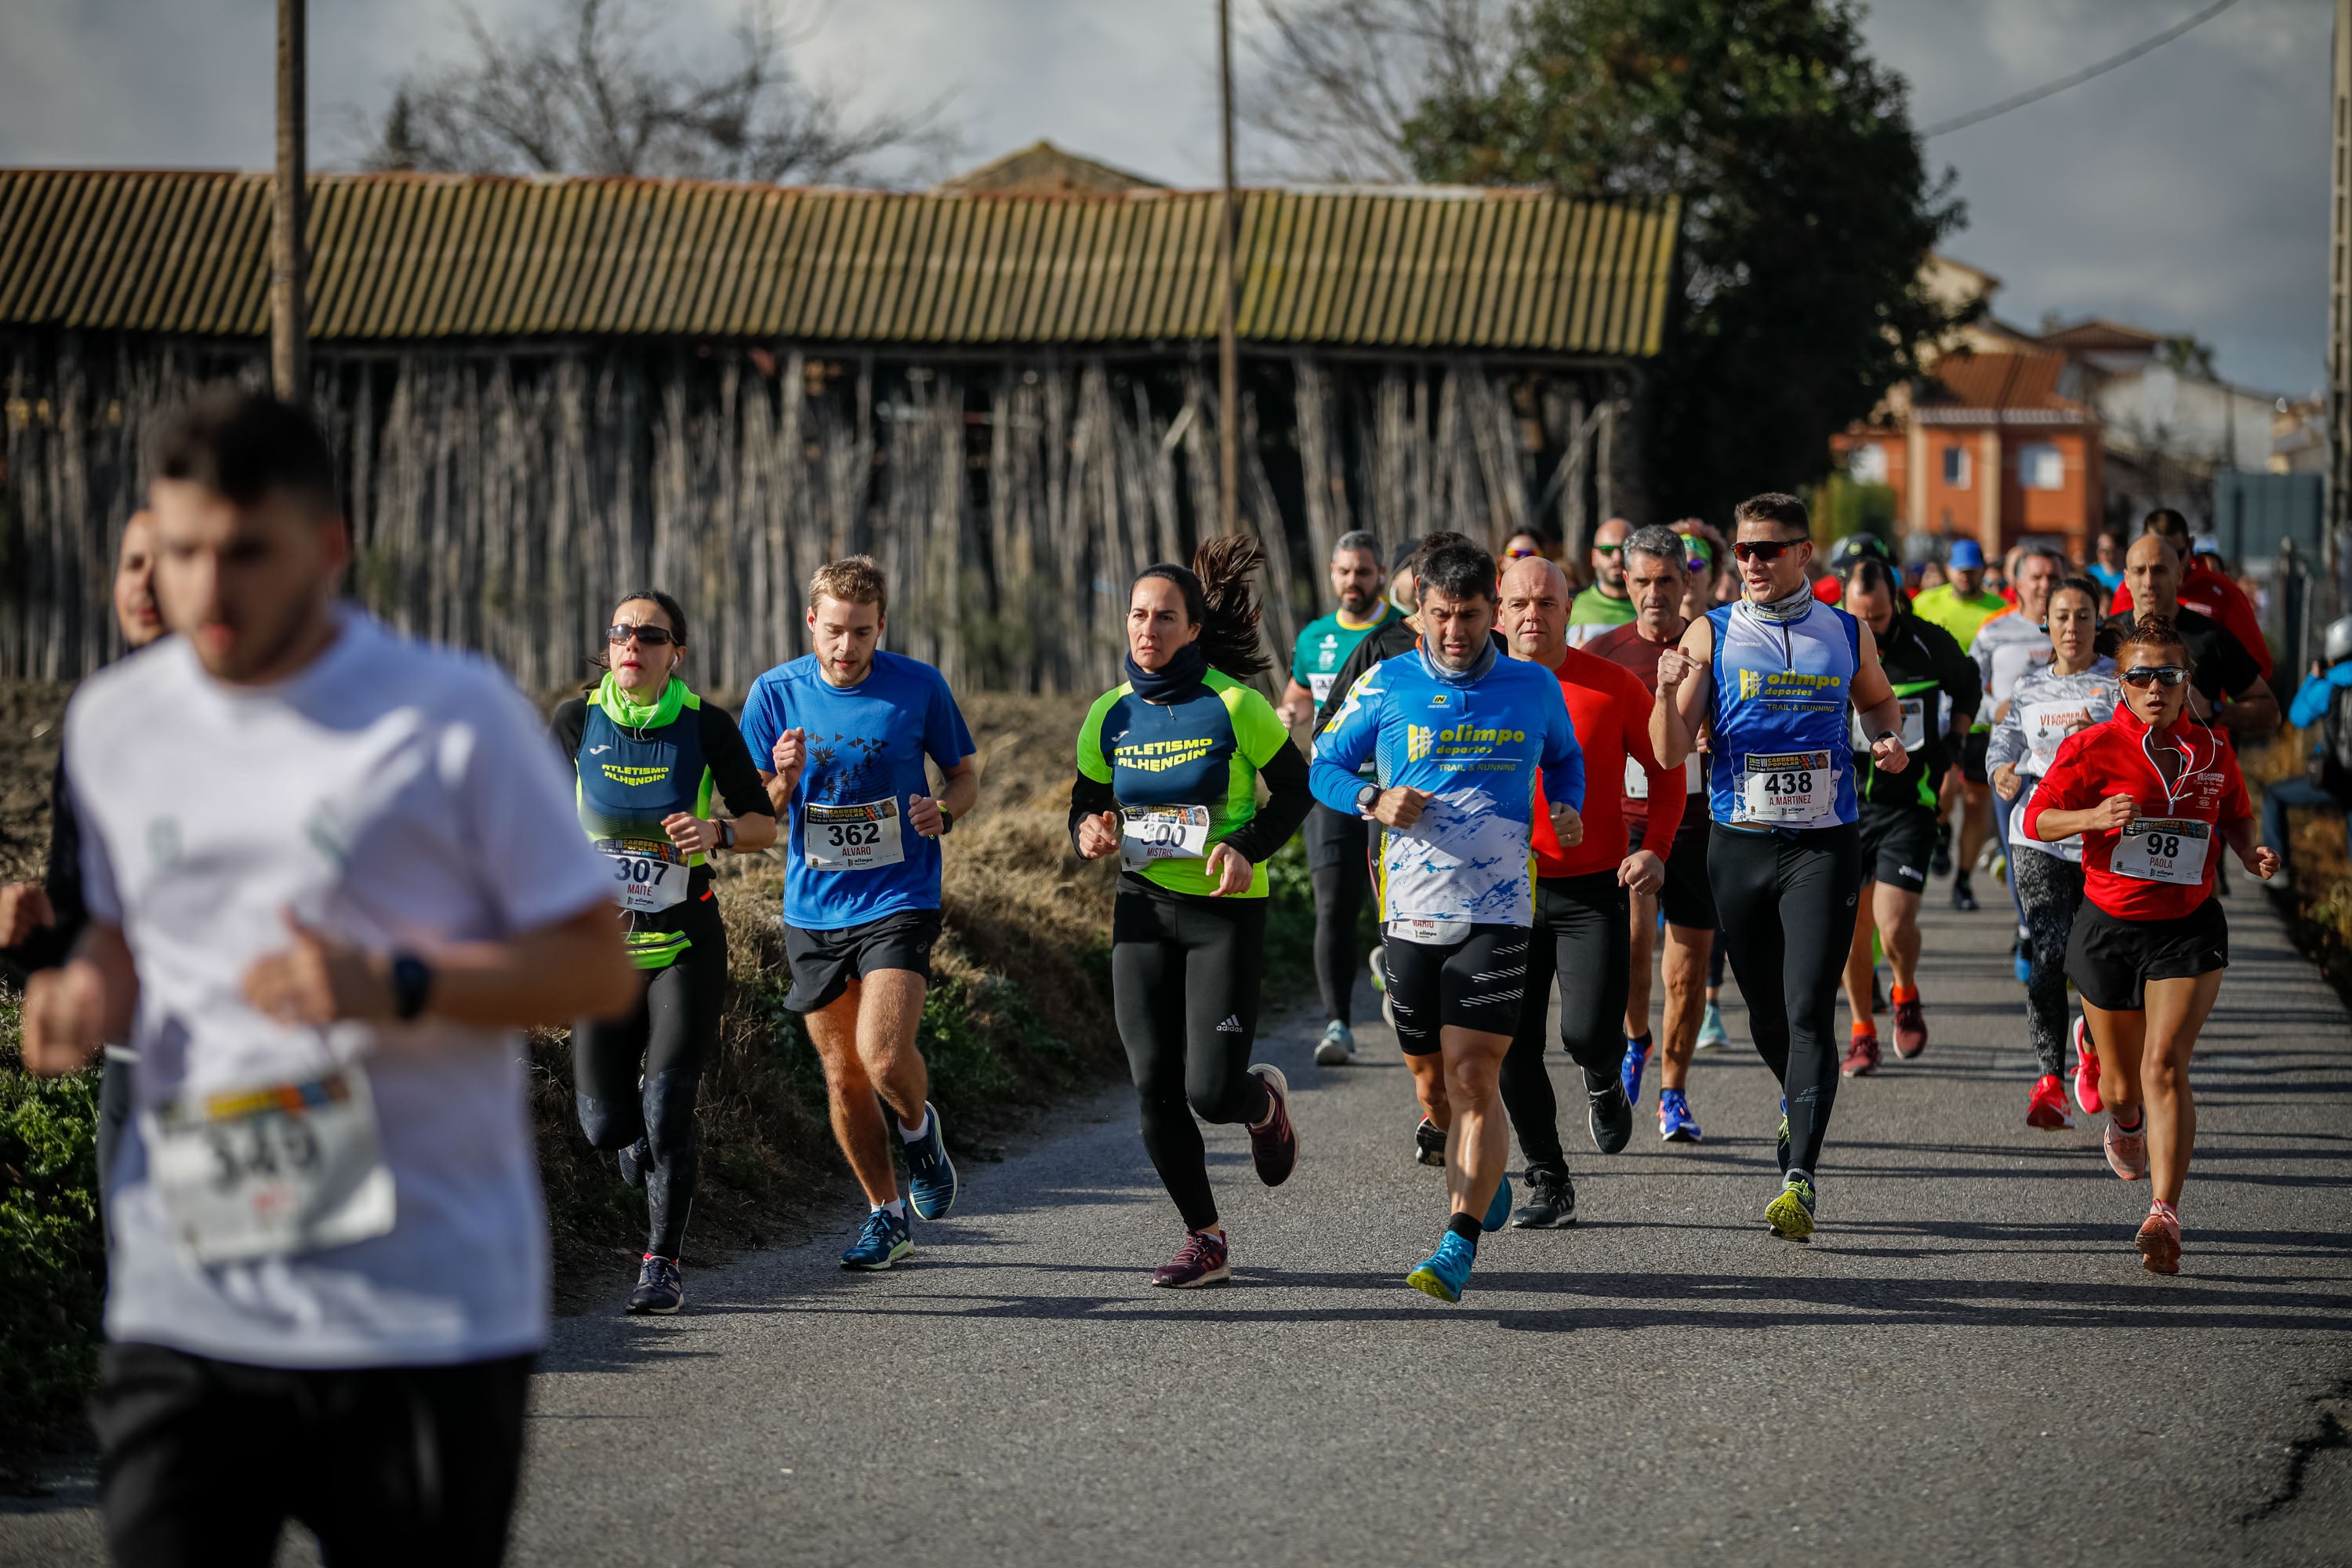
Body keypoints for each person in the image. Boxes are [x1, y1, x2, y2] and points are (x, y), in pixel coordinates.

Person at [21, 388, 634, 1563]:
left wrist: (396, 981)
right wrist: (85, 985)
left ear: (330, 545)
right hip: (187, 1293)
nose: (207, 588)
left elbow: (596, 966)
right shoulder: (115, 723)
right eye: (179, 551)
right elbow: (126, 935)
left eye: (246, 552)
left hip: (422, 1308)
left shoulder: (451, 716)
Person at [1313, 541, 1584, 1300]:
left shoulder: (1533, 686)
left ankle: (1457, 1242)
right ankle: (1479, 1172)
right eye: (1440, 615)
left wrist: (1567, 804)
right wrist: (1372, 798)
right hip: (1410, 914)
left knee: (1474, 1074)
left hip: (1498, 911)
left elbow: (1565, 759)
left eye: (1469, 616)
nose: (1455, 631)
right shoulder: (1386, 682)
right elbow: (1322, 764)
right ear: (1419, 612)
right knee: (1433, 1087)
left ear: (1493, 611)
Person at [1653, 492, 1913, 1241]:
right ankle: (1795, 1096)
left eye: (1768, 549)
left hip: (1824, 846)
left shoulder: (1846, 630)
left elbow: (1879, 705)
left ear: (1804, 553)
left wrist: (1886, 739)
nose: (1753, 562)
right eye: (1743, 550)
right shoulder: (1712, 631)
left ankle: (1799, 1176)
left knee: (1807, 1010)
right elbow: (1669, 751)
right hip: (1739, 844)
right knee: (1766, 1013)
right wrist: (1666, 690)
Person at [1072, 539, 1310, 1288]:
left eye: (1165, 617)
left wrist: (1245, 847)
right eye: (1138, 615)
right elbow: (1086, 802)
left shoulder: (1235, 706)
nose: (1148, 629)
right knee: (1153, 1083)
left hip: (1222, 911)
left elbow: (1296, 792)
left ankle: (1259, 1103)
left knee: (1210, 1093)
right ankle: (1205, 1239)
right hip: (1142, 907)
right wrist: (1088, 832)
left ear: (1194, 629)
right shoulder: (1108, 714)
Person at [741, 557, 979, 1271]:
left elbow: (965, 776)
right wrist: (783, 781)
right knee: (843, 1074)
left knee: (882, 1056)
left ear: (882, 628)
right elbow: (755, 815)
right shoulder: (774, 693)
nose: (846, 648)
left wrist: (943, 812)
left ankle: (919, 1132)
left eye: (863, 633)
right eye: (834, 631)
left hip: (899, 896)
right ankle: (886, 1215)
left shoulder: (919, 686)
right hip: (813, 907)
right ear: (811, 621)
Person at [2023, 616, 2281, 1274]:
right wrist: (2093, 816)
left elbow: (2236, 813)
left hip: (2188, 926)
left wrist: (2248, 850)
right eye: (2141, 676)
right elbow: (2037, 818)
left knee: (2163, 1063)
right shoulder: (2092, 747)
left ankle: (2165, 1214)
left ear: (2187, 681)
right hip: (2109, 927)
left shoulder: (2213, 750)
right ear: (2122, 684)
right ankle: (2125, 1117)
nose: (2155, 687)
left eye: (2169, 674)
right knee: (2120, 1088)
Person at [551, 590, 777, 1313]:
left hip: (685, 941)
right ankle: (638, 1142)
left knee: (669, 1107)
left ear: (675, 653)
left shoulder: (705, 725)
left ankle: (662, 1265)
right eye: (622, 631)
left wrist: (717, 833)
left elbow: (763, 824)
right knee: (605, 1128)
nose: (633, 644)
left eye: (650, 636)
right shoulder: (575, 721)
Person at [1492, 555, 1678, 1228]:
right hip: (1502, 893)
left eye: (1546, 603)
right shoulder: (1476, 688)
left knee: (1586, 1033)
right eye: (1519, 604)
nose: (1532, 616)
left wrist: (1656, 848)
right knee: (1511, 1044)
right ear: (1499, 614)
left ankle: (1604, 1078)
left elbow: (1666, 770)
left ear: (1568, 611)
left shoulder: (1612, 684)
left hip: (1592, 889)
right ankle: (1550, 1180)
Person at [2, 510, 166, 1225]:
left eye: (169, 560)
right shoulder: (98, 721)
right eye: (132, 564)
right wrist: (27, 938)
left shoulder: (277, 722)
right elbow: (78, 911)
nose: (146, 584)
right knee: (137, 1281)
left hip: (254, 1078)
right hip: (135, 1074)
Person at [1588, 528, 1717, 1143]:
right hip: (1628, 826)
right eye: (1643, 580)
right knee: (1636, 951)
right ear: (1625, 581)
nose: (1655, 593)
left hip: (1698, 826)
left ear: (1687, 580)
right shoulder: (1603, 653)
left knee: (1686, 973)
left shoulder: (1712, 648)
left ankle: (1674, 1093)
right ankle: (1635, 1037)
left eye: (1667, 580)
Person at [1835, 557, 1980, 1075]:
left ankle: (1904, 991)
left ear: (1896, 602)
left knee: (1894, 926)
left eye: (1878, 617)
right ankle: (1862, 1032)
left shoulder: (1928, 642)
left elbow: (1969, 684)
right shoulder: (1828, 642)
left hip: (1909, 805)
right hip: (1844, 808)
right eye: (1860, 616)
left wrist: (1955, 742)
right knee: (1852, 930)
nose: (1870, 628)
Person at [1990, 578, 2118, 1129]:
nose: (2072, 627)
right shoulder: (2030, 685)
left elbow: (2139, 743)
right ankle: (2049, 1081)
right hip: (2038, 830)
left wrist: (2101, 735)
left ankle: (2091, 1043)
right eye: (2062, 616)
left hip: (2100, 835)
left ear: (2098, 620)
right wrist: (2000, 769)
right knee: (2049, 951)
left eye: (2083, 616)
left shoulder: (2118, 683)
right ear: (2047, 623)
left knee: (2095, 957)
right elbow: (2006, 737)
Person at [1276, 531, 1398, 1065]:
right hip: (1331, 788)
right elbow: (1301, 695)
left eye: (1364, 572)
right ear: (1332, 574)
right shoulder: (1314, 636)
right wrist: (1288, 713)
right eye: (1345, 571)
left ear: (1381, 575)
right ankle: (1337, 1026)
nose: (1353, 581)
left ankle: (1402, 982)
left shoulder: (1400, 631)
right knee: (1332, 906)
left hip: (1389, 789)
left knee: (1392, 905)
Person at [1974, 546, 2065, 977]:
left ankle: (2065, 934)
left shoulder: (2078, 628)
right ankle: (2029, 931)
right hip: (2012, 765)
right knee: (2020, 854)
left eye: (2053, 577)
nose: (2045, 585)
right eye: (2037, 577)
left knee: (2066, 854)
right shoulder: (1993, 632)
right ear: (2018, 583)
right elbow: (1966, 689)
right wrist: (1993, 709)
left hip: (2066, 767)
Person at [2103, 534, 2279, 742]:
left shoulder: (2210, 636)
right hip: (2119, 761)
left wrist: (2213, 708)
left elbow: (2270, 713)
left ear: (2179, 575)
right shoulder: (2105, 637)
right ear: (2127, 579)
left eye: (2160, 571)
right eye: (2139, 571)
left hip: (2193, 760)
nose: (2149, 582)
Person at [1913, 538, 2008, 909]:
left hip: (1982, 721)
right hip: (1939, 719)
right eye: (1960, 570)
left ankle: (1964, 881)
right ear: (1949, 570)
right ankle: (1941, 831)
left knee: (1976, 803)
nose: (1966, 577)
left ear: (1983, 570)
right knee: (1945, 789)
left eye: (1972, 571)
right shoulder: (1927, 603)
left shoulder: (1998, 609)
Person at [2112, 508, 2274, 681]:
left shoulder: (2221, 592)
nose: (2149, 583)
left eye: (2176, 554)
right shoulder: (2127, 591)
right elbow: (2109, 657)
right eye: (2156, 552)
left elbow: (2257, 668)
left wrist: (2211, 696)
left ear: (2190, 545)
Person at [2264, 615, 2352, 889]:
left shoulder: (2331, 683)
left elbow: (2298, 717)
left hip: (2336, 778)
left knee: (2274, 795)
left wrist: (2313, 678)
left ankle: (2280, 872)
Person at [1566, 517, 1638, 646]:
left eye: (1626, 549)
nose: (1617, 557)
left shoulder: (1653, 606)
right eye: (1607, 550)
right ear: (1594, 557)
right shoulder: (1572, 605)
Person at [2089, 528, 2127, 597]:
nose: (2103, 554)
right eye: (2100, 549)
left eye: (2108, 550)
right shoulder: (2089, 573)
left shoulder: (2126, 578)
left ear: (2120, 551)